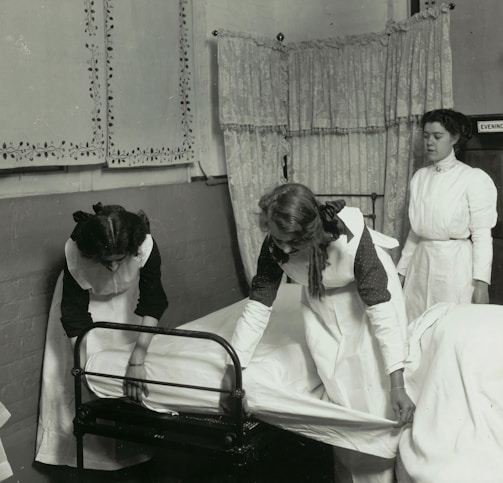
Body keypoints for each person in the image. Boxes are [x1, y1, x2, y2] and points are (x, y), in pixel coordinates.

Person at [224, 183, 414, 483]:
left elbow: (381, 310)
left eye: (293, 243)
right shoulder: (275, 245)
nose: (283, 250)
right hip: (321, 298)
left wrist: (398, 384)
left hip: (368, 300)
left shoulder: (352, 239)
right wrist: (235, 368)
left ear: (311, 233)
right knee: (340, 390)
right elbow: (259, 304)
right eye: (277, 239)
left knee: (376, 389)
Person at [35, 203, 168, 470]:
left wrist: (137, 359)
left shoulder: (145, 245)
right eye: (107, 261)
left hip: (124, 307)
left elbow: (154, 301)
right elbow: (74, 315)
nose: (114, 267)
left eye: (121, 258)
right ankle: (80, 464)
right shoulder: (76, 250)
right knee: (76, 390)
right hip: (84, 313)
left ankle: (132, 460)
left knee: (126, 383)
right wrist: (83, 369)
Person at [397, 108, 498, 322]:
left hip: (454, 267)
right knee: (416, 324)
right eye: (425, 136)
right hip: (421, 265)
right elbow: (416, 233)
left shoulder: (473, 178)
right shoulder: (419, 178)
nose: (429, 142)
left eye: (437, 136)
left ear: (454, 138)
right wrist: (401, 272)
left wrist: (482, 283)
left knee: (449, 327)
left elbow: (481, 235)